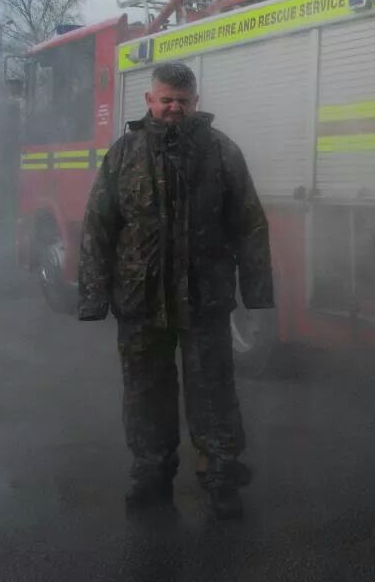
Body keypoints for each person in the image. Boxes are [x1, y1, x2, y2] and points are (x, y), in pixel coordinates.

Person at [78, 62, 274, 518]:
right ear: (150, 100)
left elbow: (249, 224)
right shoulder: (124, 154)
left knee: (214, 393)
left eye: (182, 101)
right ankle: (151, 474)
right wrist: (93, 295)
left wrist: (257, 293)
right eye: (166, 99)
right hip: (140, 300)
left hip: (205, 300)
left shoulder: (222, 152)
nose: (174, 108)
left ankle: (221, 477)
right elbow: (98, 226)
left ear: (196, 102)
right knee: (146, 393)